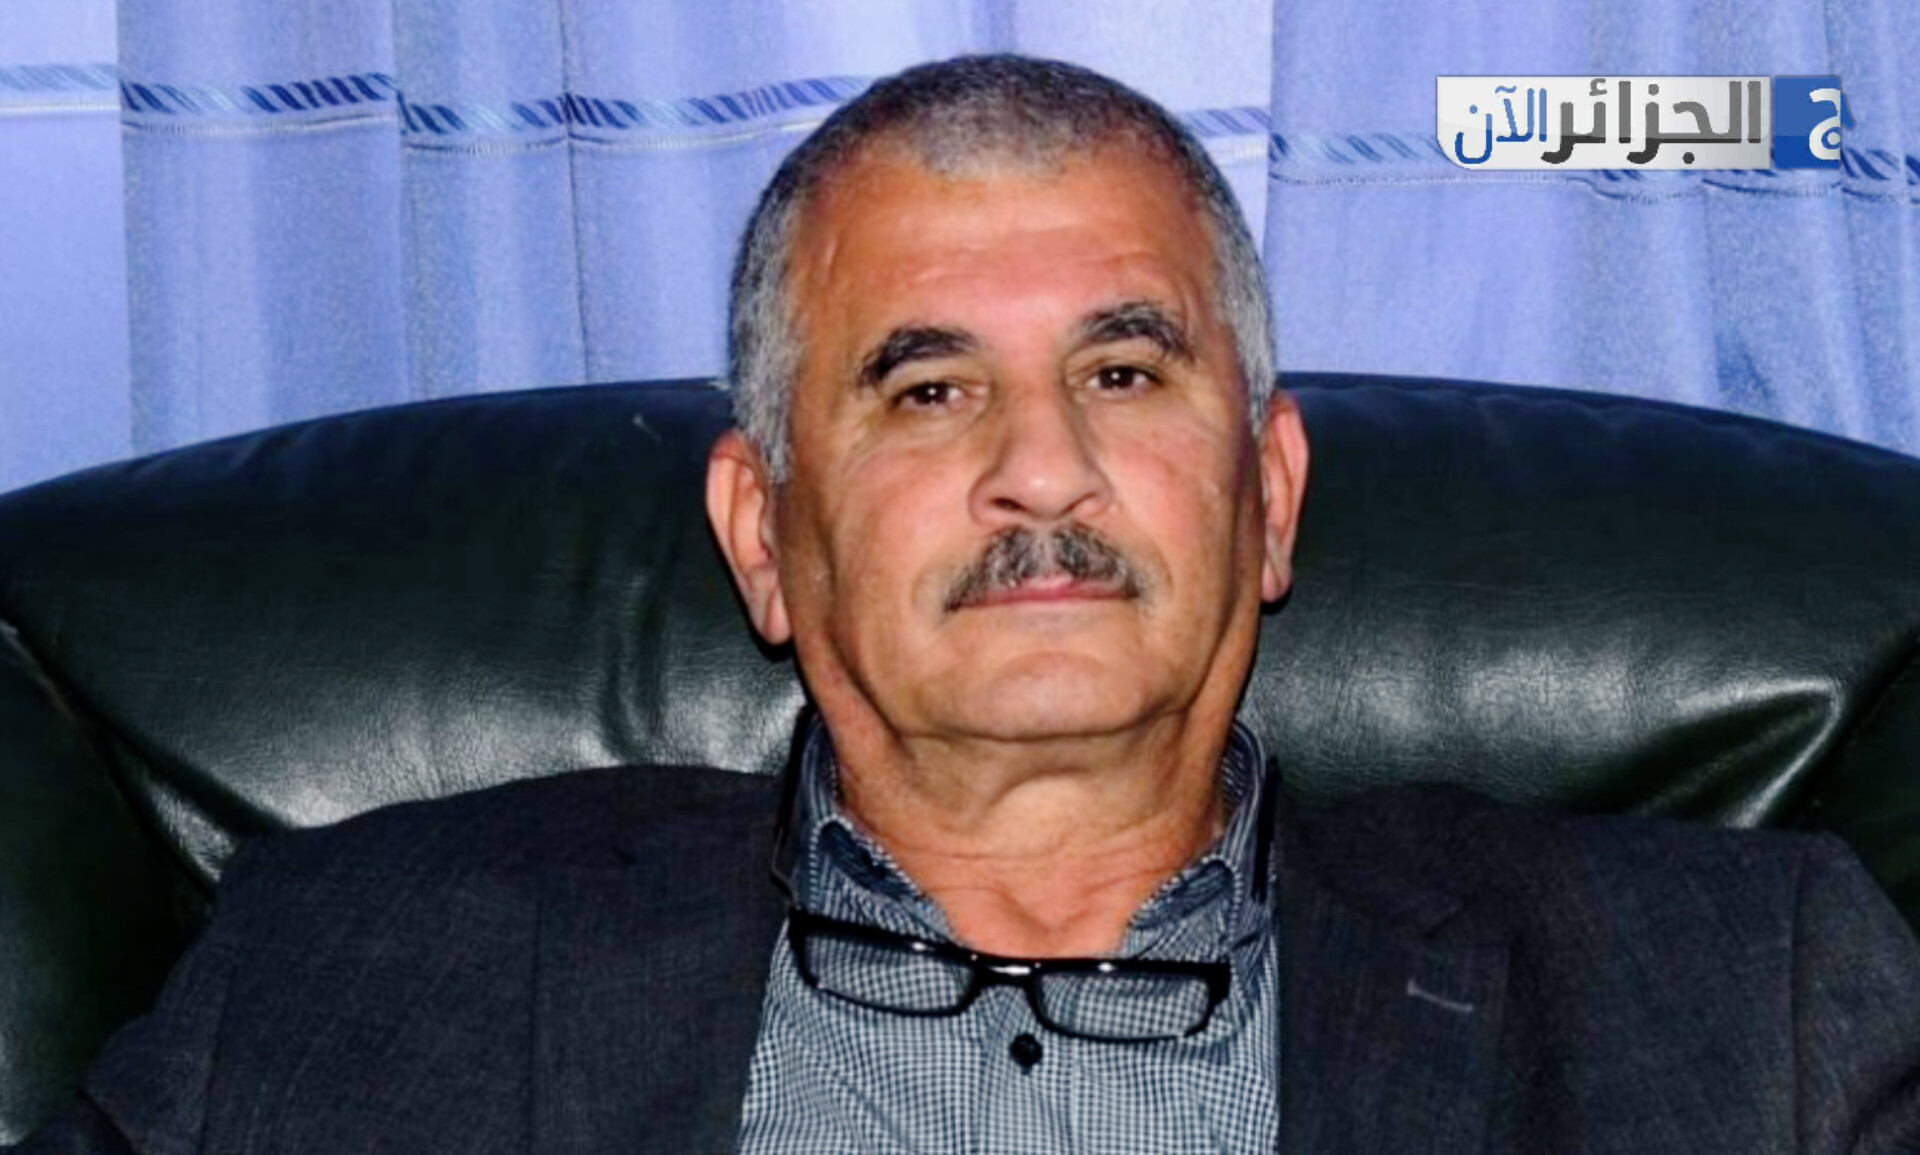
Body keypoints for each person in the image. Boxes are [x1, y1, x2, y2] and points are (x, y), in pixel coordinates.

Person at [13, 54, 1920, 1155]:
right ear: (763, 534)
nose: (1043, 470)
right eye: (927, 390)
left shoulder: (1738, 1003)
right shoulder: (348, 977)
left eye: (1125, 370)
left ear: (1267, 497)